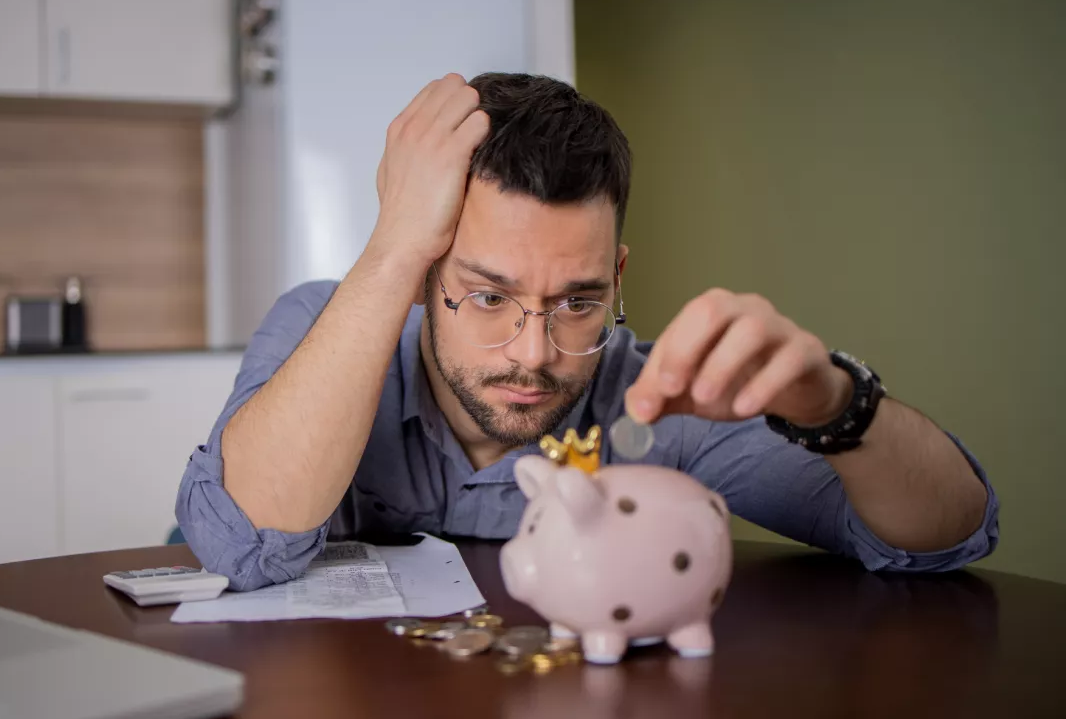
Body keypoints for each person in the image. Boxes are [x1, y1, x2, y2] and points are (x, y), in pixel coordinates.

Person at [176, 73, 998, 591]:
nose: (534, 354)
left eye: (577, 301)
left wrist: (834, 404)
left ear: (617, 280)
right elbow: (240, 542)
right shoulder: (326, 320)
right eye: (488, 297)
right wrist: (392, 253)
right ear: (429, 274)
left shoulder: (655, 403)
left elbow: (946, 538)